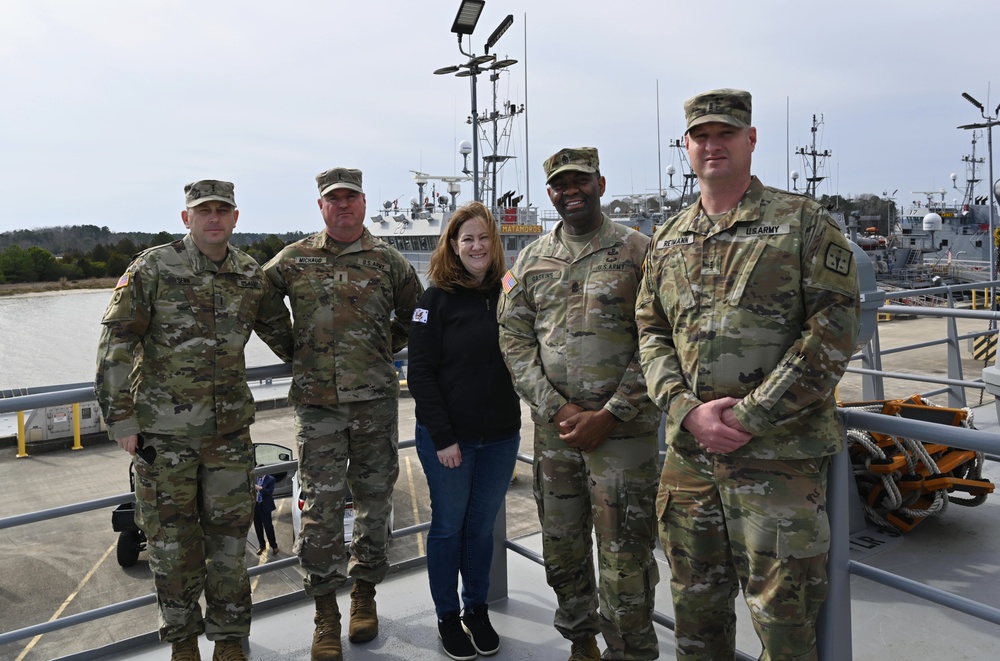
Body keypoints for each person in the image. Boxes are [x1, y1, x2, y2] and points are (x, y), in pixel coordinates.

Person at [635, 89, 861, 660]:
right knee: (695, 618)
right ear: (686, 145)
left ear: (751, 139)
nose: (712, 145)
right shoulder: (667, 237)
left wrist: (750, 414)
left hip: (778, 462)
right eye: (700, 135)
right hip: (690, 464)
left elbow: (833, 331)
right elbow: (650, 331)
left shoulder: (803, 223)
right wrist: (686, 410)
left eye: (725, 134)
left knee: (786, 628)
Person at [95, 180, 294, 661]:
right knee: (171, 547)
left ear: (235, 218)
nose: (213, 219)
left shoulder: (250, 274)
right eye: (203, 211)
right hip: (164, 440)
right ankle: (183, 642)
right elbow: (116, 341)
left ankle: (229, 640)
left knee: (229, 546)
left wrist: (338, 367)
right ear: (186, 218)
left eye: (222, 210)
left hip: (228, 437)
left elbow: (282, 333)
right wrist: (120, 418)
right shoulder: (153, 267)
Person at [497, 147, 661, 661]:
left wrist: (612, 412)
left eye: (580, 181)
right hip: (557, 435)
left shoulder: (639, 251)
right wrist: (557, 408)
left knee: (625, 555)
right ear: (550, 192)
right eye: (559, 184)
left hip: (624, 437)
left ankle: (630, 650)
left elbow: (662, 337)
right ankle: (582, 641)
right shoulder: (530, 260)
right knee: (563, 545)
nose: (570, 191)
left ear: (600, 184)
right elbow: (513, 336)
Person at [262, 167, 423, 661]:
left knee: (375, 503)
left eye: (350, 197)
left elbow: (420, 314)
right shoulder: (294, 259)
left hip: (374, 401)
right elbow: (261, 303)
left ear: (364, 202)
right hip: (318, 408)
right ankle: (325, 613)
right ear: (321, 206)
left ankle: (364, 596)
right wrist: (296, 351)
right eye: (334, 199)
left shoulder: (389, 261)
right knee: (320, 508)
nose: (343, 205)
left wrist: (382, 346)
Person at [408, 202, 522, 660]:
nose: (477, 246)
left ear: (494, 244)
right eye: (467, 239)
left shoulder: (509, 290)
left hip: (500, 436)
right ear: (453, 247)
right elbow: (421, 373)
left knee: (479, 530)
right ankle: (447, 615)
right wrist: (443, 438)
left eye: (484, 238)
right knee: (448, 527)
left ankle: (477, 609)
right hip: (450, 439)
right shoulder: (434, 299)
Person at [253, 469, 278, 556]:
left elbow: (269, 492)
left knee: (268, 527)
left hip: (265, 507)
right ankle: (262, 545)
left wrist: (260, 488)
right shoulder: (254, 478)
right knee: (258, 527)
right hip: (256, 507)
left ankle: (274, 546)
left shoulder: (271, 479)